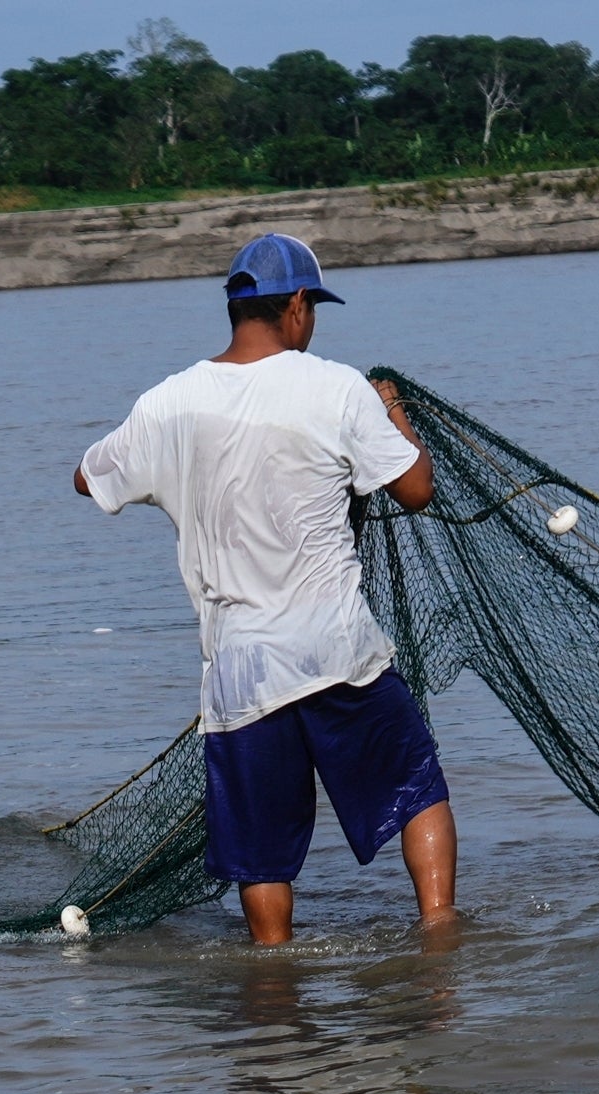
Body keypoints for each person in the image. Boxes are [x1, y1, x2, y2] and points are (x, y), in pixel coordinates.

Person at [71, 232, 455, 947]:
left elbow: (88, 477)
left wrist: (176, 477)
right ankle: (439, 936)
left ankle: (273, 992)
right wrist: (392, 408)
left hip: (243, 672)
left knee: (262, 855)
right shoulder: (335, 387)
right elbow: (417, 488)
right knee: (416, 789)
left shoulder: (170, 403)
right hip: (337, 652)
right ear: (299, 307)